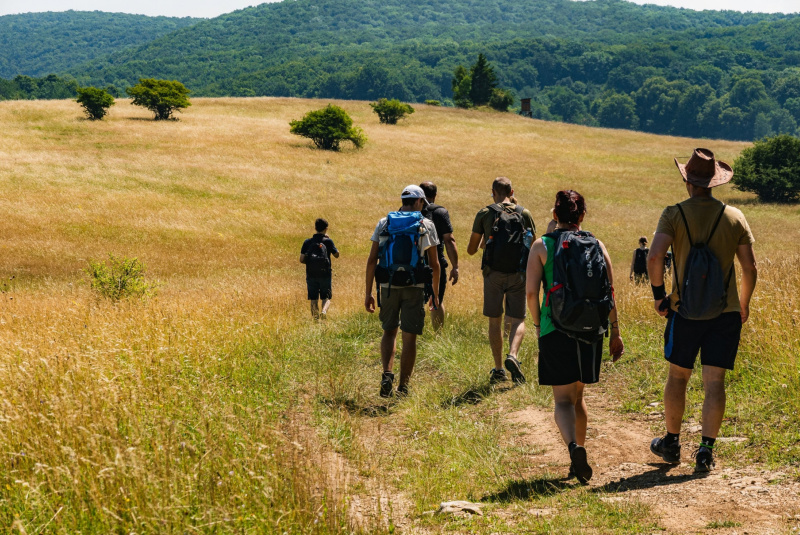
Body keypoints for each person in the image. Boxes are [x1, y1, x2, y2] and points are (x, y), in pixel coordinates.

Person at [648, 148, 757, 473]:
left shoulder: (673, 214)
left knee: (678, 376)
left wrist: (659, 296)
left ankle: (671, 442)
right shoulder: (734, 216)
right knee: (714, 382)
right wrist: (743, 304)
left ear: (688, 181)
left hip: (684, 311)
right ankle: (706, 451)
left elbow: (654, 257)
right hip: (725, 314)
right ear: (714, 182)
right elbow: (750, 268)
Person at [526, 190, 624, 484]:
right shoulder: (597, 245)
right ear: (582, 215)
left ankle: (572, 448)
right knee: (579, 396)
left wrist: (537, 325)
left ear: (555, 215)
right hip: (591, 330)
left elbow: (530, 293)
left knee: (562, 400)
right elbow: (610, 292)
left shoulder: (542, 245)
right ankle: (579, 452)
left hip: (555, 328)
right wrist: (615, 332)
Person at [365, 185, 440, 397]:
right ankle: (403, 387)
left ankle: (387, 373)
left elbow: (372, 260)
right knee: (409, 337)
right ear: (419, 201)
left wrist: (368, 292)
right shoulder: (426, 224)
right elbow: (434, 264)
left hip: (388, 285)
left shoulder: (385, 222)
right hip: (414, 287)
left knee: (389, 332)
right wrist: (434, 294)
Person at [467, 177, 535, 385]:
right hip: (518, 274)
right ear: (511, 191)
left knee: (495, 320)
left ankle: (498, 369)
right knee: (518, 319)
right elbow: (533, 244)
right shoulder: (524, 213)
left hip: (493, 274)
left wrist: (487, 244)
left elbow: (471, 249)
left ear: (493, 192)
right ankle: (512, 355)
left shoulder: (485, 213)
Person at [420, 181, 460, 330]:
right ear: (435, 195)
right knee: (437, 300)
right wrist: (455, 267)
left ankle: (413, 333)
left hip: (413, 262)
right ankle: (437, 336)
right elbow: (449, 240)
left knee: (413, 300)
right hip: (435, 263)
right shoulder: (440, 212)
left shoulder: (407, 211)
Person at [300, 218, 339, 320]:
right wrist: (329, 241)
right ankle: (324, 311)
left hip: (311, 274)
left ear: (315, 228)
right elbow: (337, 255)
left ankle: (315, 321)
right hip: (325, 273)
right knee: (326, 297)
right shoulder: (328, 241)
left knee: (313, 299)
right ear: (326, 229)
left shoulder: (307, 242)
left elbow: (301, 259)